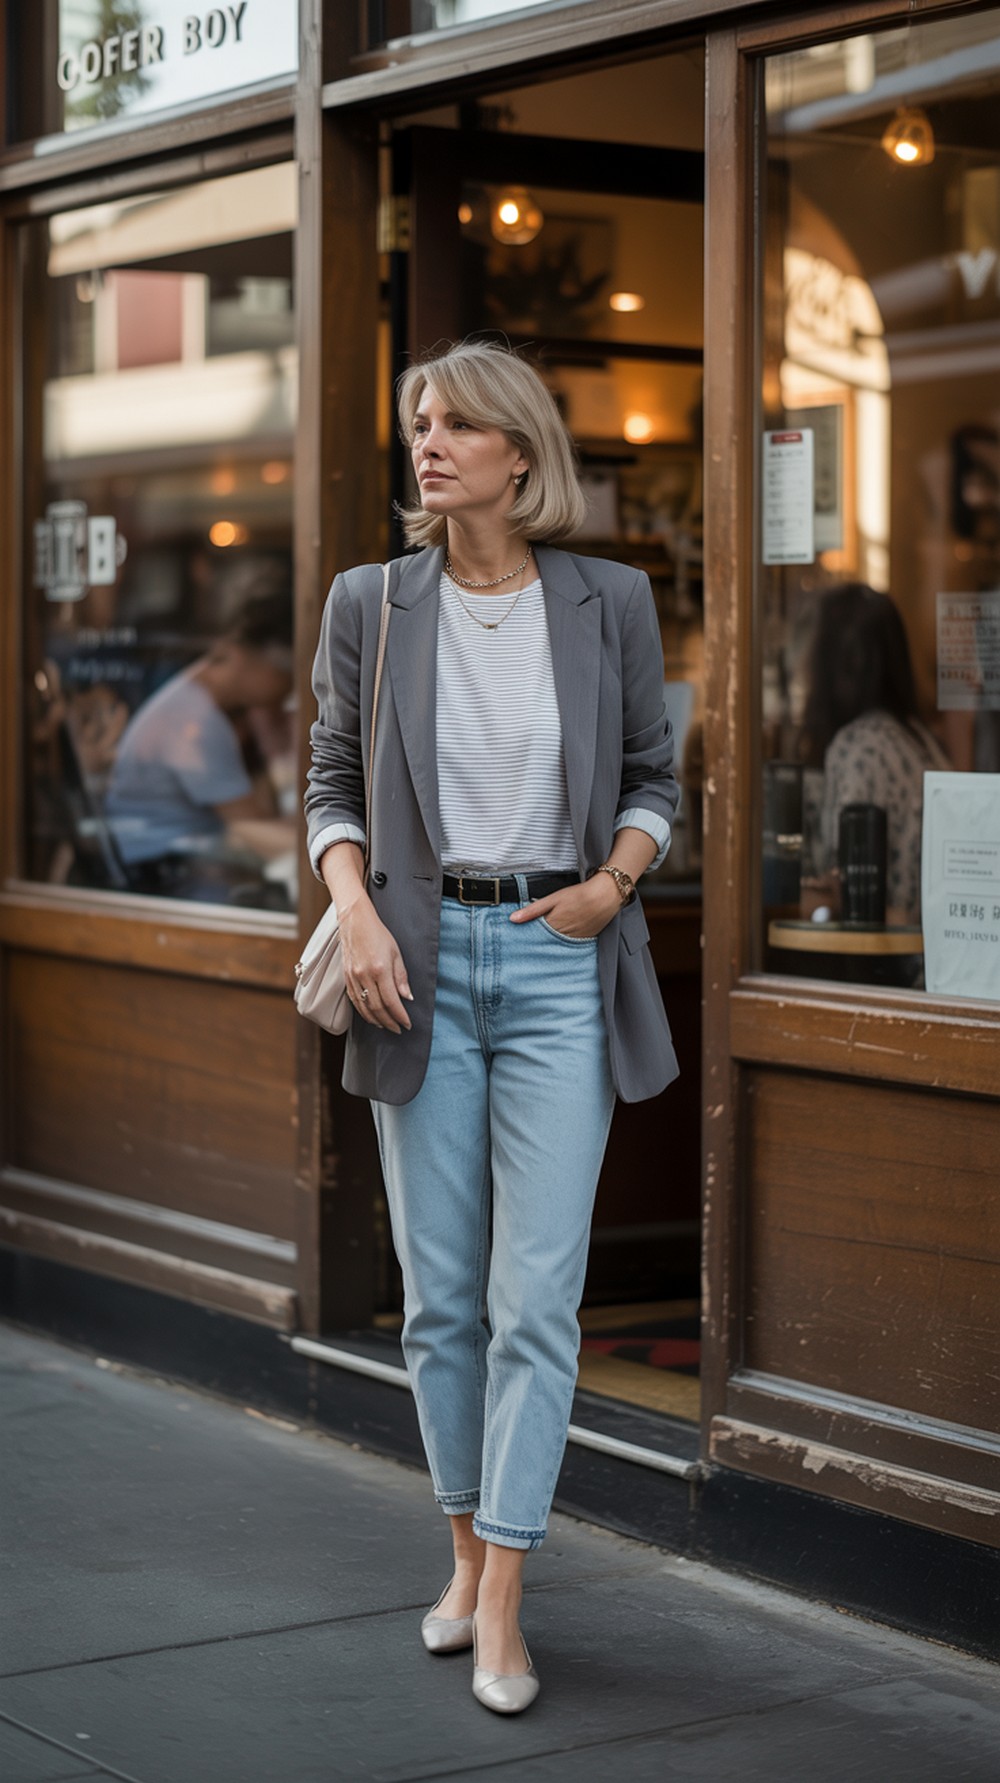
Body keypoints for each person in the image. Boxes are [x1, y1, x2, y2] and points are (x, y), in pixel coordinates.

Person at [304, 340, 679, 1716]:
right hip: (415, 961)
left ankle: (507, 1589)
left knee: (537, 1297)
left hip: (559, 960)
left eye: (459, 422)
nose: (430, 440)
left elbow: (651, 777)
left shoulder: (609, 599)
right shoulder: (373, 600)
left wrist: (609, 887)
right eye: (421, 420)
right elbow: (330, 777)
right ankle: (463, 1549)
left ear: (521, 452)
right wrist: (354, 909)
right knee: (441, 1297)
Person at [106, 591, 295, 898]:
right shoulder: (196, 722)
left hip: (174, 864)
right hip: (163, 878)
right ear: (244, 658)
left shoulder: (194, 701)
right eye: (286, 673)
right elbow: (251, 829)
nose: (290, 686)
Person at [800, 582, 950, 924]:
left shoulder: (858, 748)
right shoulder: (919, 741)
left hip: (886, 950)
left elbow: (844, 894)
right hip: (930, 945)